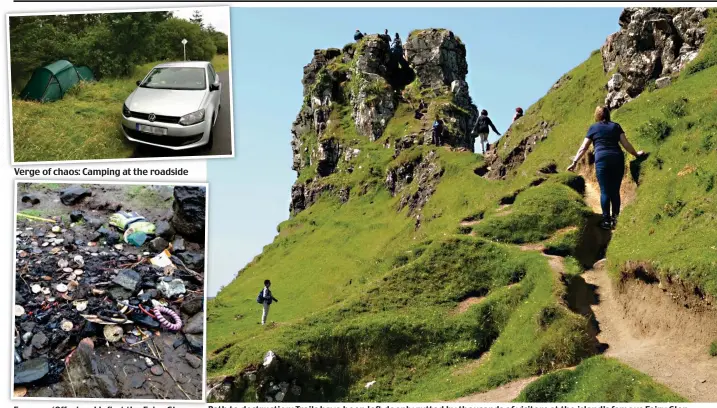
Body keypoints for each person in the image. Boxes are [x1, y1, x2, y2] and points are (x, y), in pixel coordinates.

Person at [567, 106, 645, 230]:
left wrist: (575, 161)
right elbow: (626, 144)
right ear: (608, 115)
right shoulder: (616, 126)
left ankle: (606, 221)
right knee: (615, 190)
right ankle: (616, 219)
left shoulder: (593, 128)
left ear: (597, 116)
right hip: (617, 159)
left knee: (605, 191)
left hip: (602, 160)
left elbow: (584, 147)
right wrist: (636, 154)